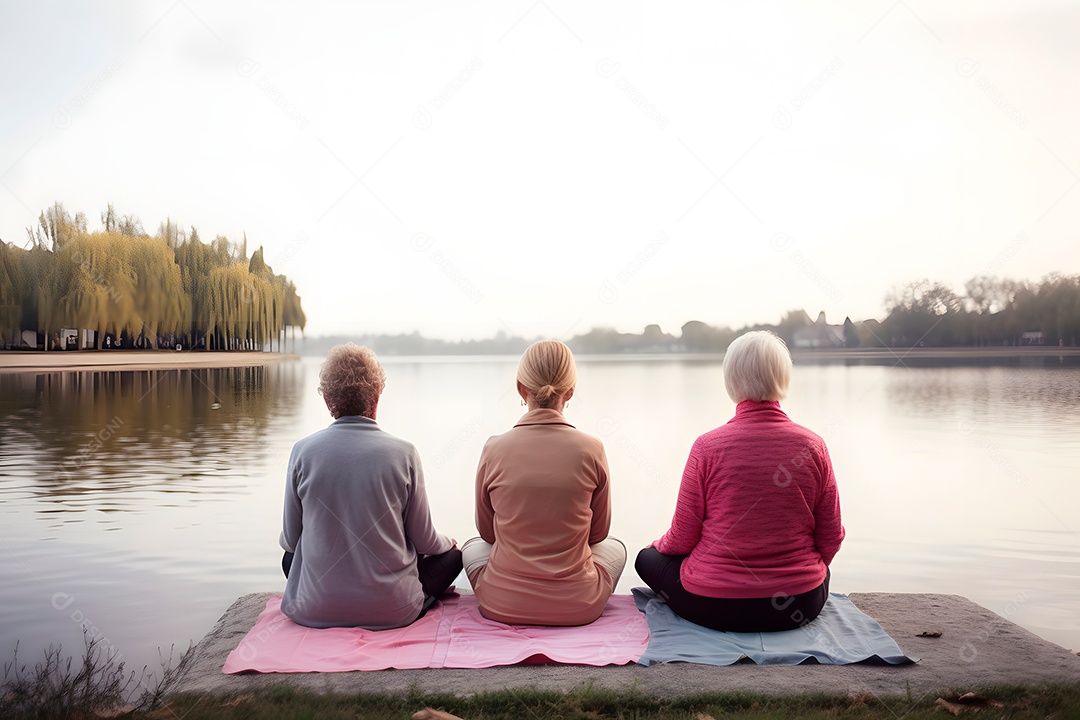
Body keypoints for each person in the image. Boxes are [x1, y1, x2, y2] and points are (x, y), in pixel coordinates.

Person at [635, 330, 844, 632]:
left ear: (730, 382)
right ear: (784, 379)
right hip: (800, 604)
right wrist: (799, 569)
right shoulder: (814, 446)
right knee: (820, 570)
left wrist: (657, 546)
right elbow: (831, 537)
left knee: (646, 559)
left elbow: (682, 537)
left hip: (714, 606)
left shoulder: (707, 446)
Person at [279, 343, 462, 629]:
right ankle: (393, 598)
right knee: (453, 557)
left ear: (328, 400)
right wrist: (448, 543)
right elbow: (425, 541)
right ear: (377, 395)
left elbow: (290, 541)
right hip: (392, 611)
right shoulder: (403, 452)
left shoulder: (303, 451)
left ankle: (331, 601)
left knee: (291, 558)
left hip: (313, 609)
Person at [462, 340, 626, 626]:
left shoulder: (494, 447)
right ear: (570, 391)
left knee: (472, 546)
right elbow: (598, 534)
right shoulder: (591, 448)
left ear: (520, 388)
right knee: (616, 547)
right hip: (578, 606)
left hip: (501, 604)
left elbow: (488, 534)